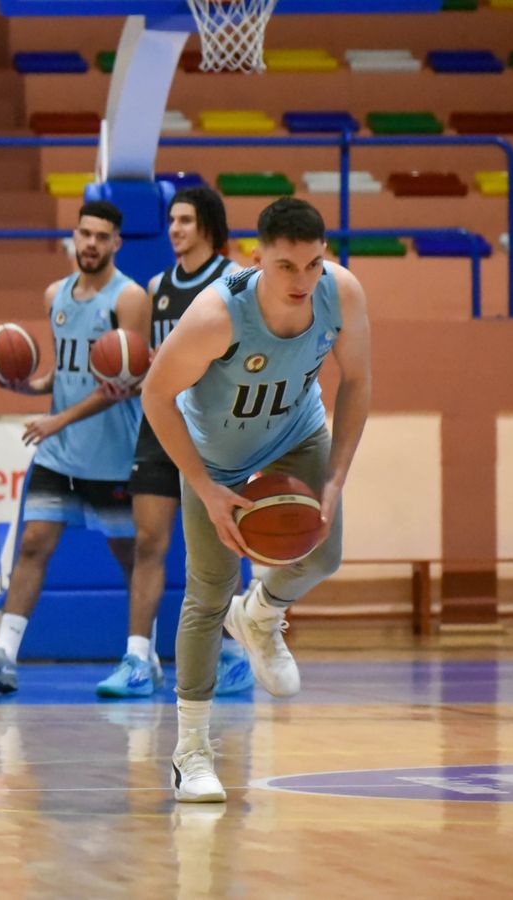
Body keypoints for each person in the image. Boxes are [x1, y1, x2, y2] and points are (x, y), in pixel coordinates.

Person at [141, 197, 370, 802]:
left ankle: (263, 615)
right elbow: (155, 396)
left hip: (297, 433)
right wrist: (206, 488)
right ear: (256, 258)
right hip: (215, 456)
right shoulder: (217, 316)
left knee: (324, 554)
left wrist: (337, 477)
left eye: (313, 265)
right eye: (286, 267)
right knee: (208, 591)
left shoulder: (340, 294)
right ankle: (192, 750)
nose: (302, 281)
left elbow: (358, 381)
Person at [0, 200, 150, 694]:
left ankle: (140, 658)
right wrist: (28, 386)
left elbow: (126, 383)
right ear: (74, 236)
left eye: (102, 237)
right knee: (33, 544)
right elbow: (65, 375)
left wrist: (58, 418)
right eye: (85, 234)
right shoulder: (54, 295)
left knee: (130, 557)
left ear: (116, 243)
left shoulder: (129, 300)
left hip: (112, 455)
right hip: (59, 453)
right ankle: (4, 655)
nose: (91, 244)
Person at [96, 186, 254, 698]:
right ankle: (139, 657)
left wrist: (192, 356)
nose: (174, 229)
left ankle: (230, 651)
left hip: (215, 429)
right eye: (171, 220)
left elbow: (249, 353)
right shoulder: (158, 284)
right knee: (148, 542)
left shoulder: (235, 281)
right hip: (161, 424)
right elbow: (142, 359)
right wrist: (128, 369)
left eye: (184, 220)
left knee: (216, 545)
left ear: (207, 224)